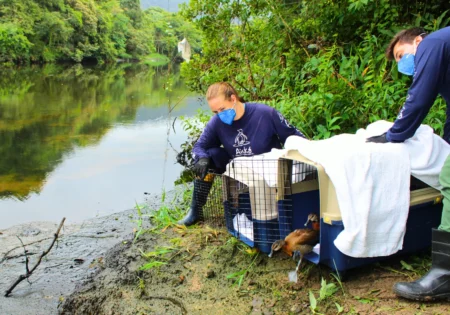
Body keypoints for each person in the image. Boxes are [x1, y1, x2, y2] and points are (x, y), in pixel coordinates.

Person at [366, 27, 450, 301]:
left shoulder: (432, 44)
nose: (403, 63)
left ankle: (443, 275)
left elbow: (418, 99)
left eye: (402, 55)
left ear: (417, 40)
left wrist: (393, 134)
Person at [178, 82, 305, 226]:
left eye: (222, 109)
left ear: (233, 99)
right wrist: (202, 158)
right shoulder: (217, 122)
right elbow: (199, 146)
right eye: (215, 112)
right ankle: (196, 210)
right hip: (239, 170)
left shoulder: (265, 113)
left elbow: (293, 136)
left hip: (269, 170)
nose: (220, 114)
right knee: (210, 154)